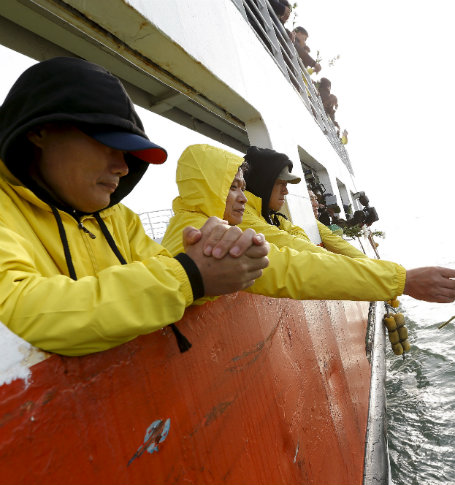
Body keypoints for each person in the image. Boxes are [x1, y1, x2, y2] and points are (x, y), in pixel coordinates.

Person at [0, 57, 269, 356]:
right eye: (109, 144)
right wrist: (191, 274)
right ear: (40, 131)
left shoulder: (121, 219)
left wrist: (221, 261)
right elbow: (17, 314)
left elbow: (178, 284)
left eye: (128, 153)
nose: (123, 167)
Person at [162, 144, 455, 304]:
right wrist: (399, 280)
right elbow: (291, 266)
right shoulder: (204, 234)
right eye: (232, 187)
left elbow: (303, 249)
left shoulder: (208, 223)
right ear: (209, 187)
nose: (242, 197)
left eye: (243, 188)